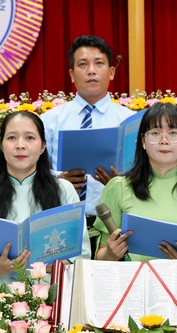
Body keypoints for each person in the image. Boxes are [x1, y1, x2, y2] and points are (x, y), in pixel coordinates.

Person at [0, 111, 91, 294]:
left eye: (30, 138)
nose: (20, 145)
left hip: (48, 294)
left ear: (43, 146)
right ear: (1, 145)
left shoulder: (63, 190)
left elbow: (81, 255)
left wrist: (40, 266)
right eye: (12, 138)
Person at [93, 102, 177, 263]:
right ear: (143, 141)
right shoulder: (119, 187)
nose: (164, 140)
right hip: (133, 277)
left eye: (173, 133)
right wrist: (111, 253)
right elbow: (101, 256)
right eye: (155, 133)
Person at [40, 35, 135, 247]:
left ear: (111, 72)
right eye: (83, 64)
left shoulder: (129, 121)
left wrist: (120, 184)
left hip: (114, 224)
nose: (91, 70)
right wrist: (58, 181)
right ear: (72, 75)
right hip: (62, 222)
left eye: (99, 63)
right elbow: (35, 172)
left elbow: (144, 175)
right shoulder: (50, 121)